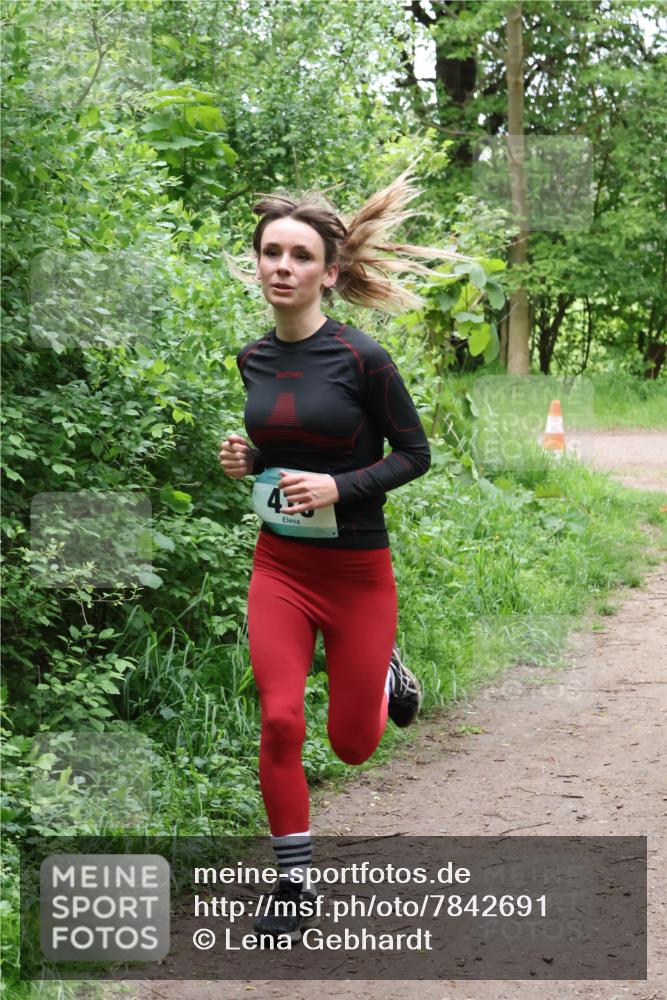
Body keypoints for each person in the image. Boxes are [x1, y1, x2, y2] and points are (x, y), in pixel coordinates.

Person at [219, 164, 466, 942]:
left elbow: (414, 455)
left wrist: (338, 488)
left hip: (358, 573)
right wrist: (246, 463)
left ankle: (389, 662)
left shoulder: (364, 359)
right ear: (257, 262)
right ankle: (292, 884)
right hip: (280, 569)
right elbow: (276, 457)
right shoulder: (252, 359)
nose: (281, 267)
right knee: (281, 720)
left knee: (353, 747)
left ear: (328, 272)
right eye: (270, 253)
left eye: (297, 256)